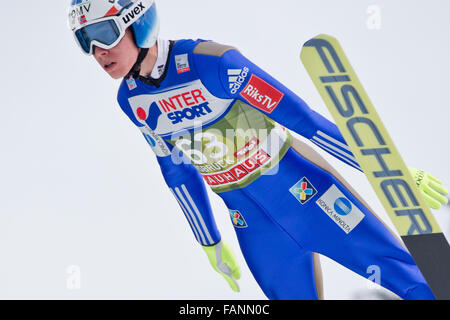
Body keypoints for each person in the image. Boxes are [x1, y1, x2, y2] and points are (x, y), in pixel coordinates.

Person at [68, 0, 449, 299]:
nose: (98, 51)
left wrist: (387, 171)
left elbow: (306, 122)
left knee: (418, 286)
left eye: (104, 33)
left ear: (139, 21)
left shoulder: (214, 64)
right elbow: (176, 170)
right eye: (86, 40)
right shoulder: (131, 99)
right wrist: (209, 241)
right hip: (252, 226)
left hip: (308, 196)